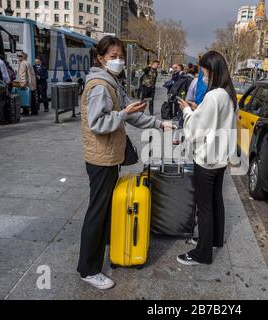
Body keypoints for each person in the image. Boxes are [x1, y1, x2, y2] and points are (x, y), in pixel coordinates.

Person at [77, 36, 172, 290]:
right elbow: (98, 124)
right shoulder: (100, 85)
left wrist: (159, 123)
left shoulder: (112, 82)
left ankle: (107, 249)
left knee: (105, 208)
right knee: (97, 212)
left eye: (120, 56)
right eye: (112, 57)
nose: (118, 60)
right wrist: (124, 114)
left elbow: (133, 114)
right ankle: (88, 269)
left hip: (108, 156)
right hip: (100, 158)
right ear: (100, 58)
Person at [177, 51, 237, 266]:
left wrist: (186, 111)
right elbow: (214, 120)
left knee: (204, 206)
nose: (202, 75)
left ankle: (202, 253)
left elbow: (196, 129)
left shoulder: (214, 96)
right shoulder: (228, 93)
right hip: (220, 158)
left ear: (211, 71)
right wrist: (198, 109)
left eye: (203, 71)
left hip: (207, 158)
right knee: (215, 200)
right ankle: (214, 239)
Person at [17, 51, 38, 116]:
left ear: (24, 57)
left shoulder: (23, 63)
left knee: (25, 97)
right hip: (31, 83)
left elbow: (23, 75)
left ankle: (25, 111)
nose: (18, 57)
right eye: (18, 56)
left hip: (27, 84)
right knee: (32, 98)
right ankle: (34, 111)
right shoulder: (28, 63)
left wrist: (23, 84)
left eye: (20, 56)